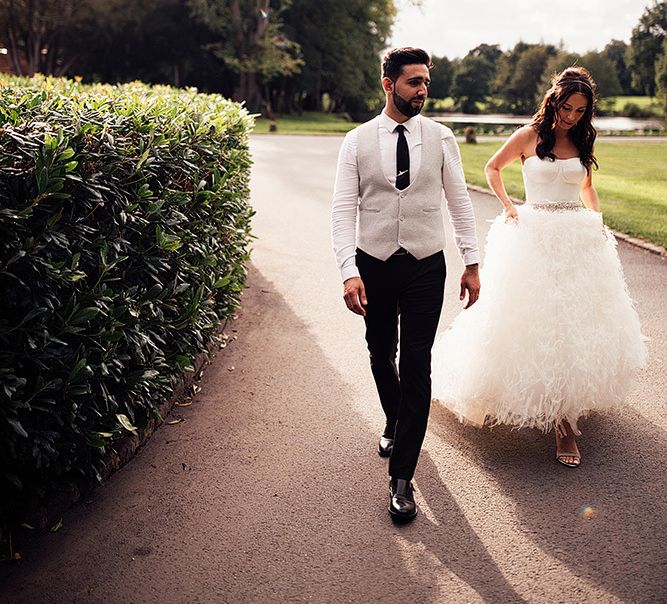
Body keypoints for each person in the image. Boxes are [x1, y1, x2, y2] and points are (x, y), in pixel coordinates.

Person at [430, 67, 647, 467]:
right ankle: (545, 414)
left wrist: (598, 220)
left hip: (577, 238)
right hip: (534, 236)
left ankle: (565, 420)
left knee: (574, 324)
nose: (572, 117)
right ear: (554, 100)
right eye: (567, 108)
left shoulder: (583, 137)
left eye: (581, 111)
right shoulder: (529, 136)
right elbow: (492, 168)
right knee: (533, 322)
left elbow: (585, 186)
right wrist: (509, 206)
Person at [331, 47, 480, 522]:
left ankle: (401, 477)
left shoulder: (441, 138)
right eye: (414, 82)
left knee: (417, 361)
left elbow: (460, 203)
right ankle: (394, 419)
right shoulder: (356, 141)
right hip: (373, 263)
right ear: (388, 84)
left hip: (424, 266)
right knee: (380, 350)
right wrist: (348, 271)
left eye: (426, 82)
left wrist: (472, 261)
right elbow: (341, 211)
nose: (422, 91)